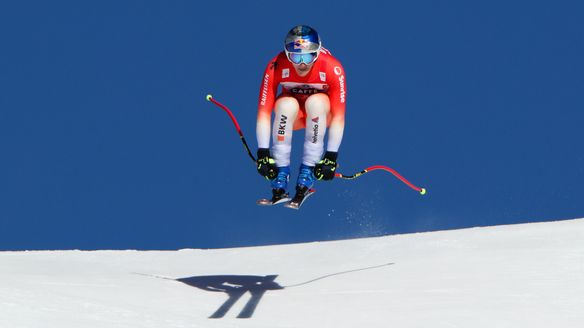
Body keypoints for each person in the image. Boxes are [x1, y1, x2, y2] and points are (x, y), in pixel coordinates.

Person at [255, 25, 347, 203]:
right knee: (285, 104)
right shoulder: (276, 65)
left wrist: (330, 156)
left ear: (318, 52)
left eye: (309, 55)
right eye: (296, 57)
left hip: (320, 115)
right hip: (294, 116)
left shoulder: (332, 68)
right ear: (287, 54)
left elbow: (338, 116)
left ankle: (308, 171)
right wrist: (263, 153)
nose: (302, 63)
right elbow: (264, 113)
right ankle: (280, 176)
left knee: (317, 102)